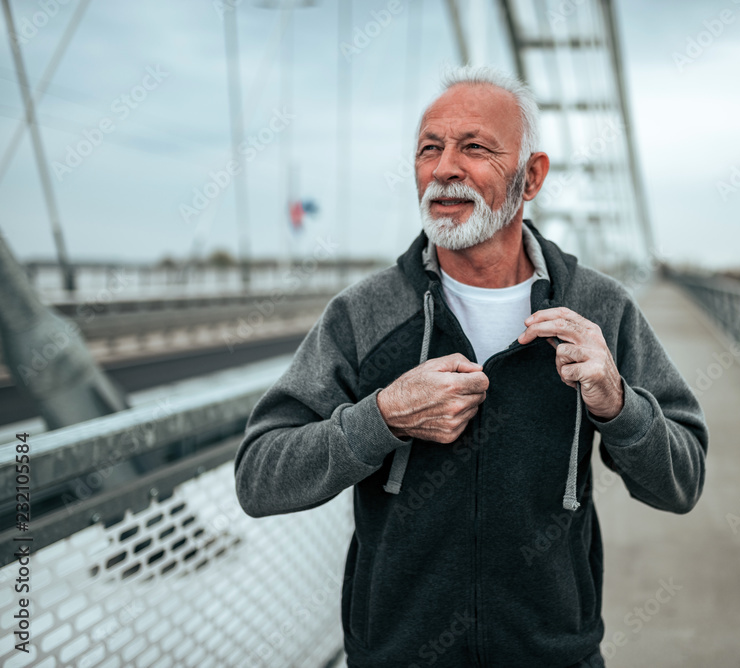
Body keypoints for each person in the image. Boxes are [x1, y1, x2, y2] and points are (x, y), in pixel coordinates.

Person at [234, 65, 709, 668]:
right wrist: (381, 418)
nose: (444, 169)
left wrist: (619, 406)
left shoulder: (599, 309)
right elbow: (258, 477)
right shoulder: (363, 313)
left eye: (475, 148)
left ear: (530, 176)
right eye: (428, 149)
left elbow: (682, 483)